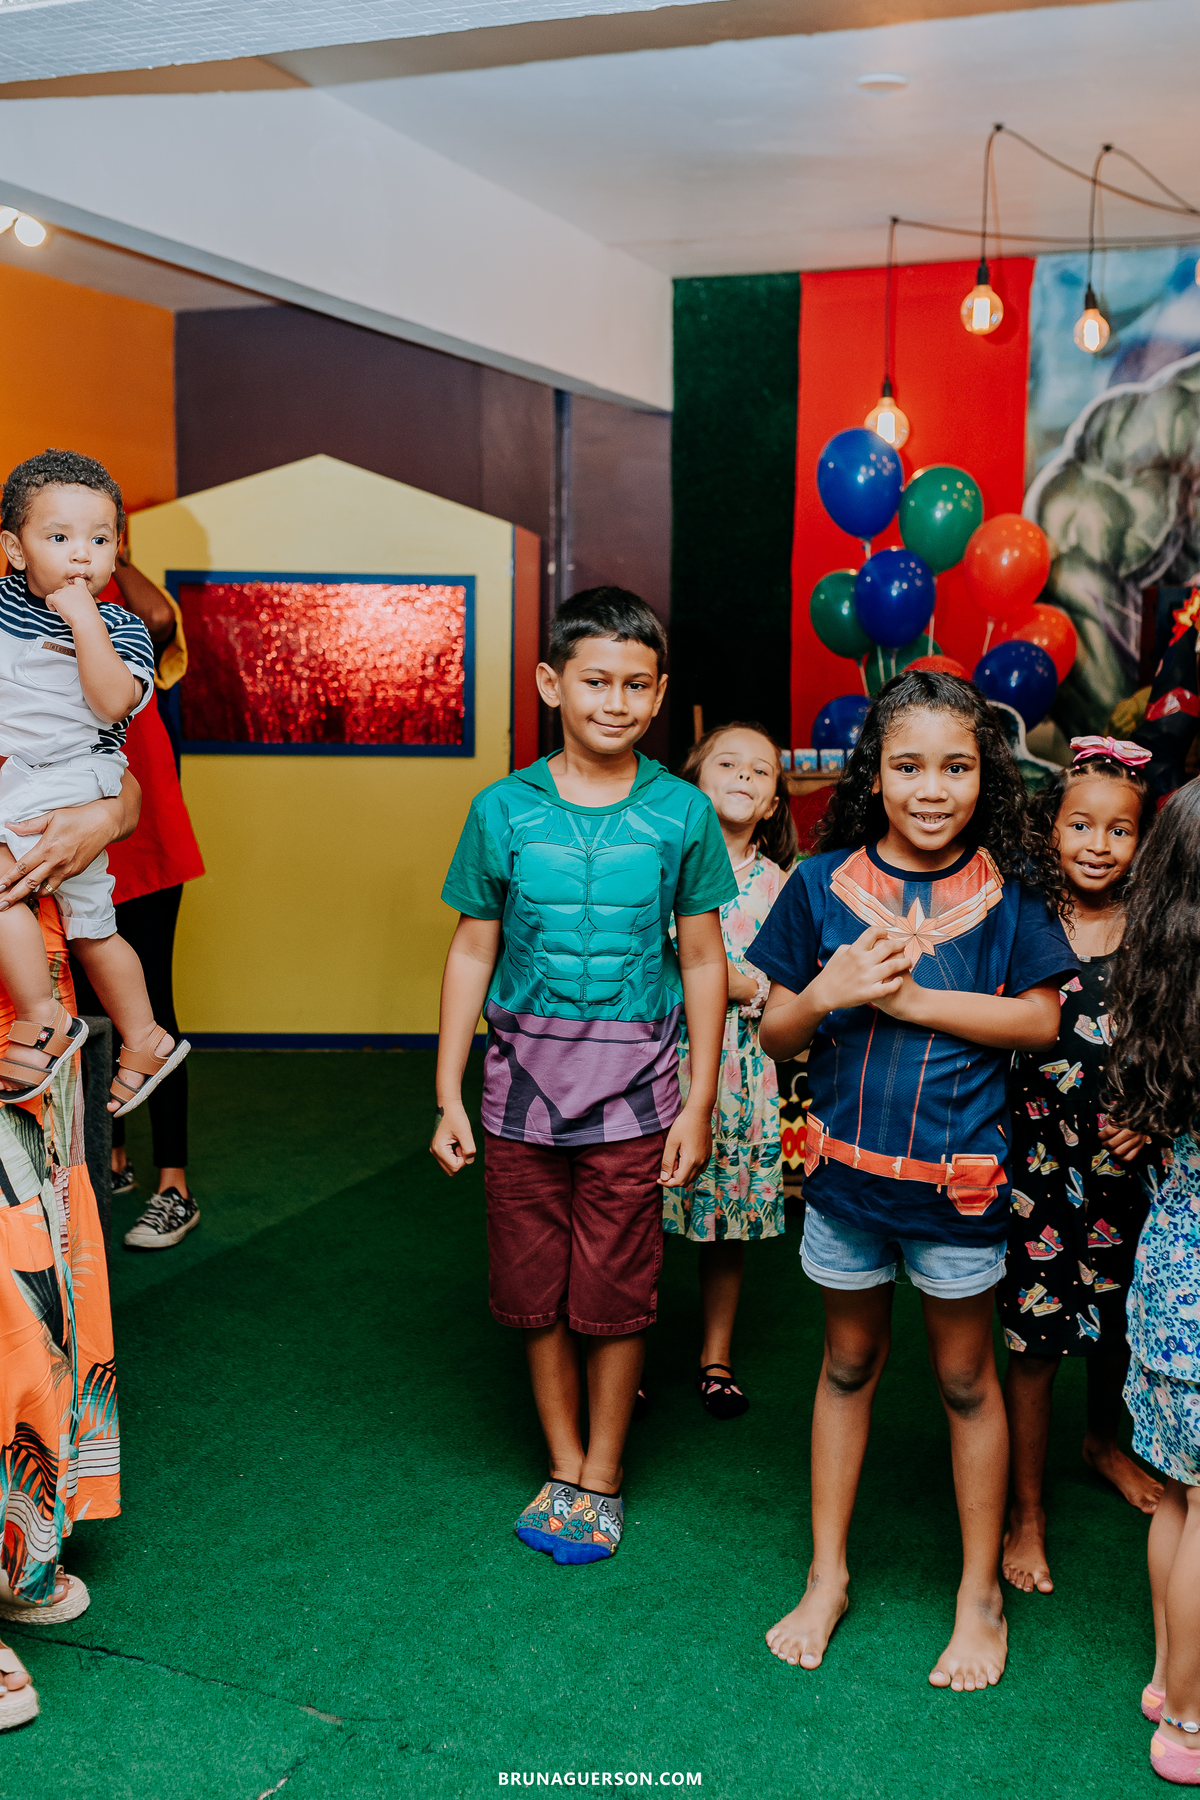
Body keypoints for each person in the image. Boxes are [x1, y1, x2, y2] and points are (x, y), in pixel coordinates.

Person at [748, 669, 1075, 1691]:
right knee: (847, 1368)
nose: (932, 787)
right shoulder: (818, 884)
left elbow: (1040, 1021)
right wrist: (832, 990)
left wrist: (924, 1004)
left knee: (966, 1381)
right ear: (873, 775)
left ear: (988, 777)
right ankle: (827, 1573)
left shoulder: (1011, 895)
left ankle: (978, 1594)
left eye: (957, 766)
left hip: (960, 1195)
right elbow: (774, 1031)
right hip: (847, 1188)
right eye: (908, 765)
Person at [430, 588, 732, 1563]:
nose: (616, 701)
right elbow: (472, 949)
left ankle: (603, 1474)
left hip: (639, 1101)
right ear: (551, 683)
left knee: (615, 1290)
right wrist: (446, 1091)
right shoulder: (501, 809)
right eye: (595, 681)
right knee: (534, 1290)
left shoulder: (683, 812)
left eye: (637, 684)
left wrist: (700, 1098)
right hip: (518, 1101)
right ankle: (561, 1461)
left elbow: (701, 960)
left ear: (660, 694)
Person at [998, 737, 1162, 1598]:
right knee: (1036, 1339)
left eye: (1120, 831)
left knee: (1121, 1320)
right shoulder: (1022, 915)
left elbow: (1179, 1039)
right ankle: (1026, 1510)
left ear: (1144, 841)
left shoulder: (1158, 928)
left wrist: (1159, 1114)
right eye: (1081, 825)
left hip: (1126, 1167)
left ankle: (1105, 1442)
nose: (1099, 844)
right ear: (1050, 828)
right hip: (1033, 1164)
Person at [0, 778, 141, 1726]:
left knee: (39, 1296)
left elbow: (120, 764)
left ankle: (15, 1548)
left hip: (31, 1035)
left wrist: (106, 812)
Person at [0, 449, 189, 1113]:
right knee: (93, 925)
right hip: (28, 776)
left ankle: (41, 1016)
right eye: (58, 538)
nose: (81, 555)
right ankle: (144, 1036)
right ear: (14, 550)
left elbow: (113, 706)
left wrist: (84, 620)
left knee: (4, 882)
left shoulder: (119, 627)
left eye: (99, 539)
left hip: (71, 772)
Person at [1105, 779, 1200, 1787]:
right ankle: (1193, 1724)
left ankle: (1175, 1682)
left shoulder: (1154, 981)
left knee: (1180, 1498)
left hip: (1169, 1279)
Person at [71, 541, 205, 1251]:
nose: (76, 548)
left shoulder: (118, 608)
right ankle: (109, 1159)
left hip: (144, 844)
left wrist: (109, 555)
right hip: (69, 847)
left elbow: (157, 620)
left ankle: (174, 1185)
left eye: (94, 533)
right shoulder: (24, 615)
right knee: (87, 1015)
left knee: (149, 1010)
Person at [663, 722, 798, 1418]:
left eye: (762, 770)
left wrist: (732, 982)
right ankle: (625, 1346)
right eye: (728, 763)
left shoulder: (781, 888)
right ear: (695, 780)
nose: (745, 776)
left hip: (740, 1074)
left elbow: (785, 985)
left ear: (774, 802)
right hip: (660, 1063)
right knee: (635, 1211)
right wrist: (738, 982)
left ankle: (715, 1356)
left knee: (725, 1222)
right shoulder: (666, 867)